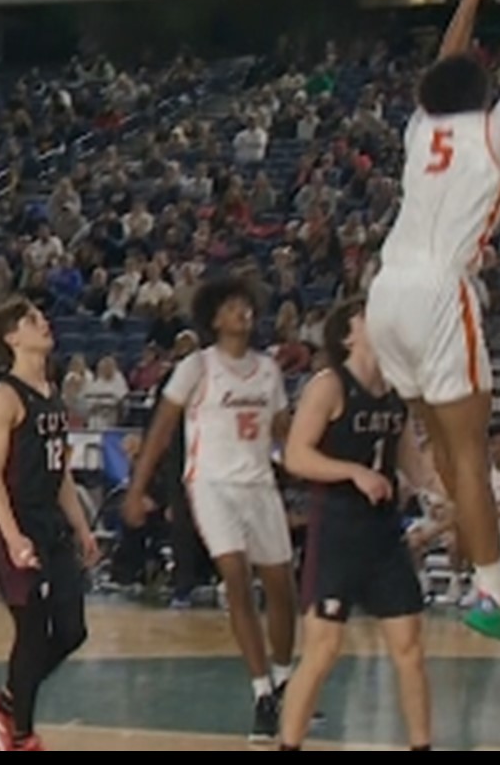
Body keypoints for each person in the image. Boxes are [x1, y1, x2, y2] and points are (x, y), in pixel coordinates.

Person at [365, 0, 500, 645]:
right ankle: (490, 591)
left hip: (385, 292)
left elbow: (447, 60)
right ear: (483, 89)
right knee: (471, 453)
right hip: (438, 291)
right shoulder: (494, 124)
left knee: (448, 448)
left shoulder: (419, 130)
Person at [124, 276, 297, 741]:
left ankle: (284, 683)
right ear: (213, 318)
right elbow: (161, 431)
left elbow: (286, 433)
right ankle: (261, 693)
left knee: (283, 591)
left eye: (247, 304)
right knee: (237, 578)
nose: (242, 311)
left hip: (261, 485)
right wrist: (136, 489)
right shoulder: (197, 367)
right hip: (212, 485)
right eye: (232, 305)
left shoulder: (268, 370)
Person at [278, 298, 432, 752]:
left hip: (384, 534)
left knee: (410, 648)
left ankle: (422, 745)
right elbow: (296, 455)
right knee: (322, 650)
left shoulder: (396, 391)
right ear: (349, 333)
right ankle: (289, 745)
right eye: (370, 314)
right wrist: (353, 471)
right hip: (338, 529)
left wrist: (451, 496)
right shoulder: (329, 385)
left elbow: (415, 465)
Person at [0, 298, 97, 752]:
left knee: (72, 630)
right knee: (32, 628)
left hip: (51, 523)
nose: (43, 323)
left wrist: (82, 527)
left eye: (42, 317)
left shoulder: (51, 391)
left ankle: (7, 701)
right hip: (18, 523)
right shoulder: (4, 396)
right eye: (31, 321)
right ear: (11, 338)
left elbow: (60, 471)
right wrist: (12, 537)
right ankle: (20, 735)